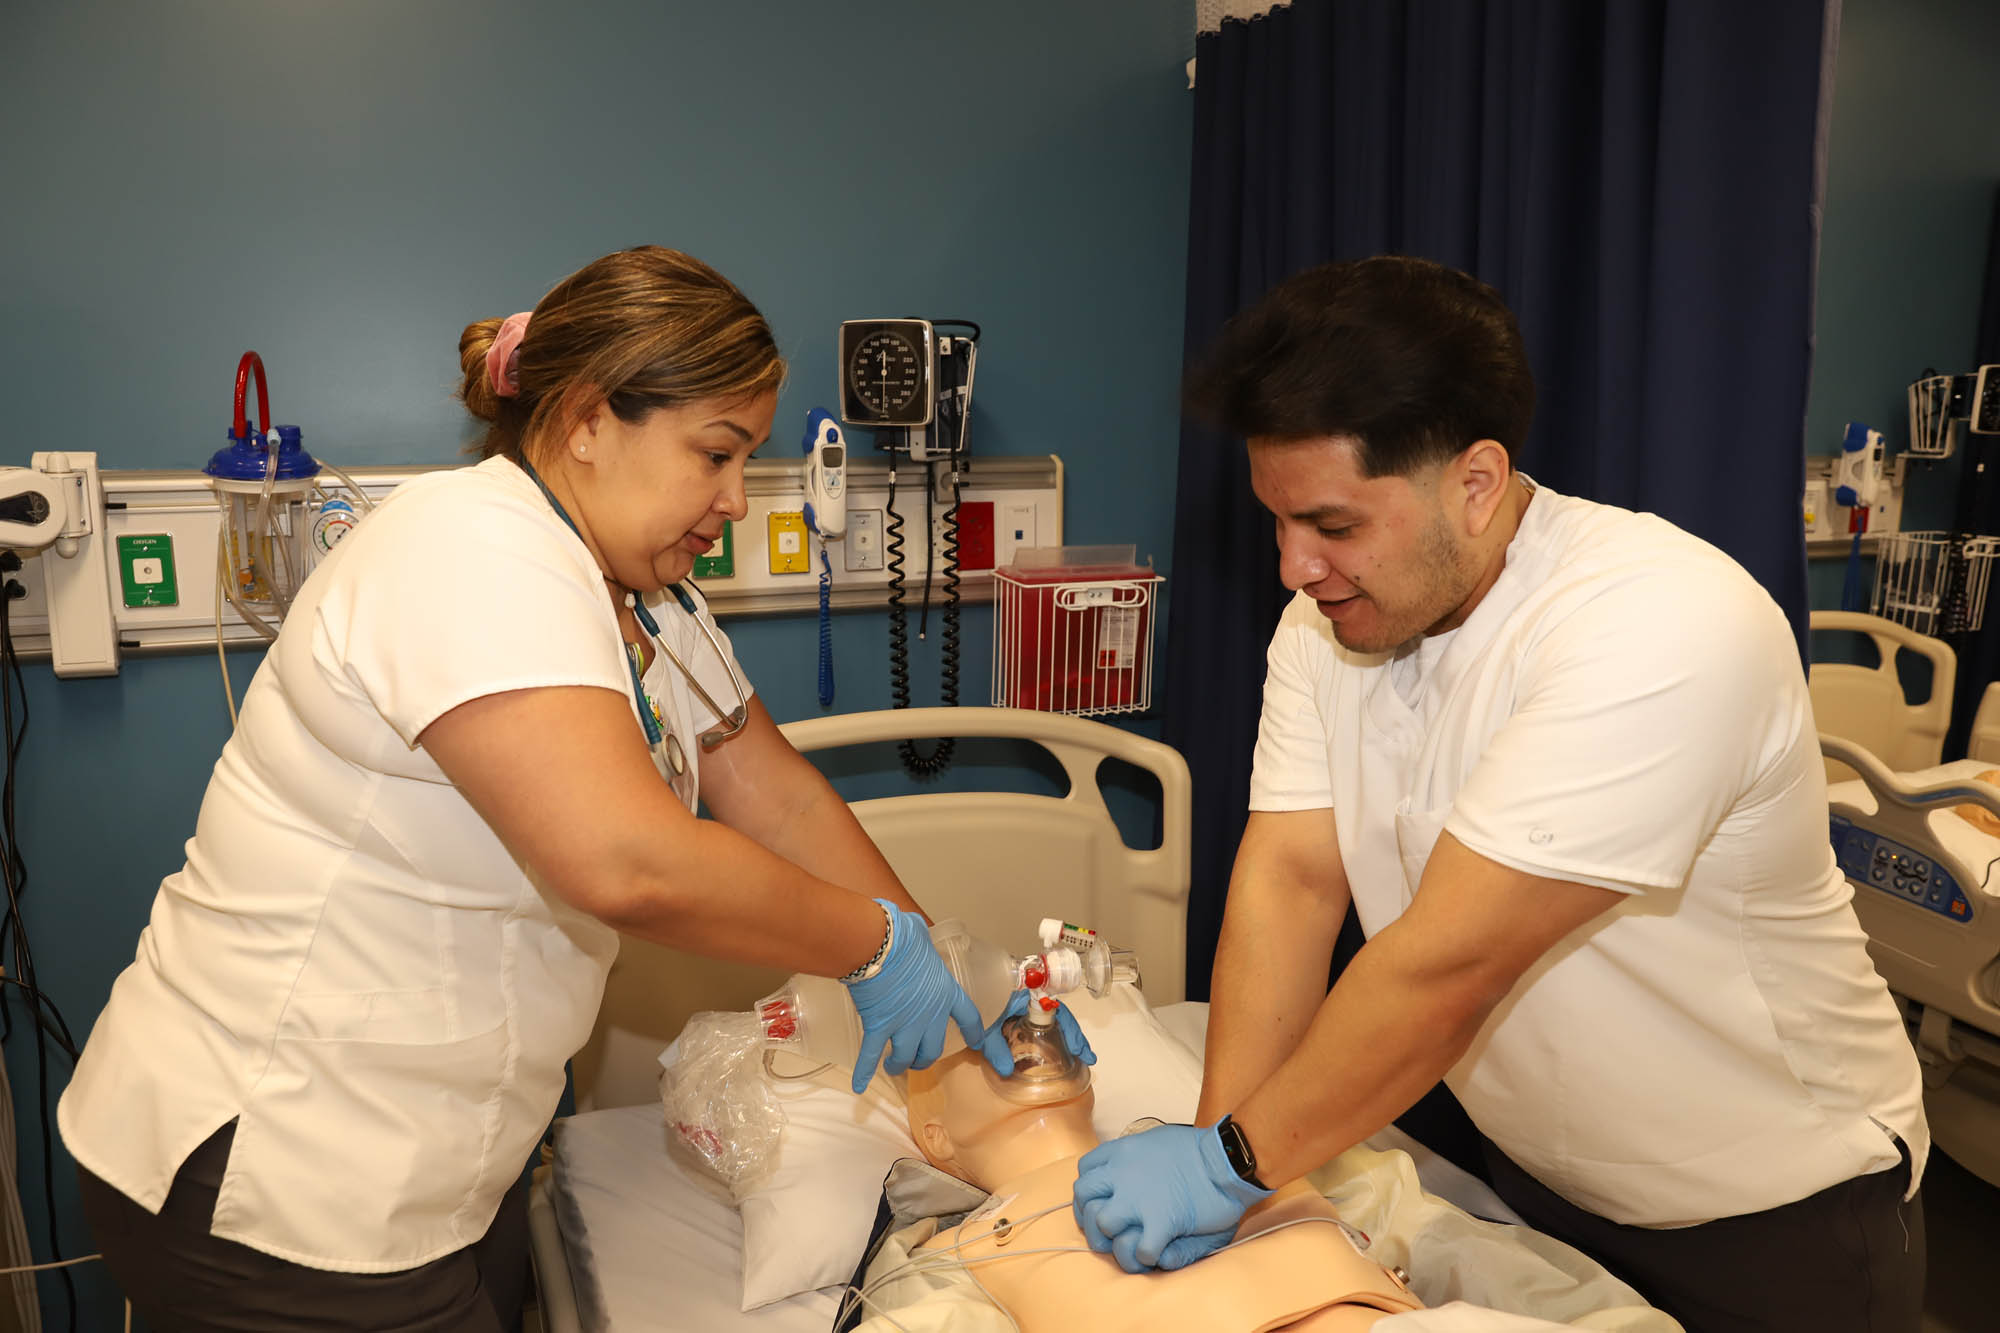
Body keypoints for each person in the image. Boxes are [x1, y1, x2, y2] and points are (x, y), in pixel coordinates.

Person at [59, 245, 1018, 1332]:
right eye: (715, 453)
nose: (736, 501)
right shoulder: (469, 550)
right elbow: (624, 859)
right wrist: (870, 946)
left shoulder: (651, 600)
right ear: (584, 420)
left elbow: (779, 795)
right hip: (277, 1160)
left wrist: (946, 972)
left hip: (436, 1154)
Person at [1070, 256, 1929, 1333]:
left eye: (1332, 526)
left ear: (1474, 483)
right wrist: (1225, 1154)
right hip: (1538, 1185)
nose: (1293, 565)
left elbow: (1448, 965)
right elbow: (1291, 882)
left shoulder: (1655, 622)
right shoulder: (1327, 623)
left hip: (1769, 1207)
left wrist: (1227, 1166)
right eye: (1276, 521)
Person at [858, 1018, 1422, 1332]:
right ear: (934, 1135)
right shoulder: (949, 1254)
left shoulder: (1236, 1140)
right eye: (962, 1032)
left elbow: (1448, 1241)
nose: (1019, 1025)